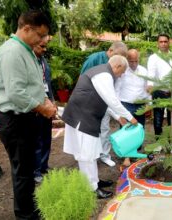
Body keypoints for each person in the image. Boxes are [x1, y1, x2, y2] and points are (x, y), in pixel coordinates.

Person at [0, 10, 56, 219]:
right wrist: (41, 107)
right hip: (15, 120)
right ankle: (25, 216)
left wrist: (44, 100)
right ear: (26, 29)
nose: (42, 39)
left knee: (27, 169)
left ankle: (29, 209)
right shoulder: (12, 52)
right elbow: (15, 92)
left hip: (25, 117)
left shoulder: (26, 50)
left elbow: (31, 85)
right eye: (40, 35)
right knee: (23, 172)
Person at [62, 55, 138, 199]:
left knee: (92, 152)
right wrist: (130, 118)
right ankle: (91, 188)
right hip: (82, 117)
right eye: (122, 72)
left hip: (86, 117)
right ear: (117, 66)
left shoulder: (103, 73)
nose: (121, 76)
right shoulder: (104, 75)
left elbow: (106, 101)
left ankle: (94, 181)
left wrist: (118, 117)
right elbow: (112, 100)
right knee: (86, 155)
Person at [80, 42, 128, 167]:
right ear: (110, 50)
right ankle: (91, 156)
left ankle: (104, 155)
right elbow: (83, 78)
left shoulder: (117, 65)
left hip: (105, 101)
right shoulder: (95, 59)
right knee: (90, 131)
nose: (119, 60)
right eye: (118, 55)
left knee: (104, 129)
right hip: (90, 101)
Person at [116, 49, 150, 167]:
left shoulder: (144, 71)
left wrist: (149, 104)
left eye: (136, 61)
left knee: (139, 129)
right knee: (126, 130)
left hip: (140, 104)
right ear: (127, 60)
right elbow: (117, 89)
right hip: (126, 104)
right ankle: (126, 156)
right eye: (131, 61)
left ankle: (135, 152)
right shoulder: (123, 71)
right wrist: (118, 108)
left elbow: (148, 88)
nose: (134, 64)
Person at [147, 34, 172, 136]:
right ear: (157, 44)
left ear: (169, 43)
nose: (163, 44)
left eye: (165, 41)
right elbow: (151, 73)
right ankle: (158, 143)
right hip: (158, 91)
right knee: (158, 118)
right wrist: (150, 86)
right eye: (161, 42)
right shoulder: (153, 58)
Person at [33, 37, 54, 183]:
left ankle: (44, 166)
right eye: (42, 46)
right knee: (37, 140)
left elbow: (47, 83)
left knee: (47, 138)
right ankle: (36, 171)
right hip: (36, 107)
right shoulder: (29, 61)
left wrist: (52, 100)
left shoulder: (43, 61)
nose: (44, 49)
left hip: (47, 104)